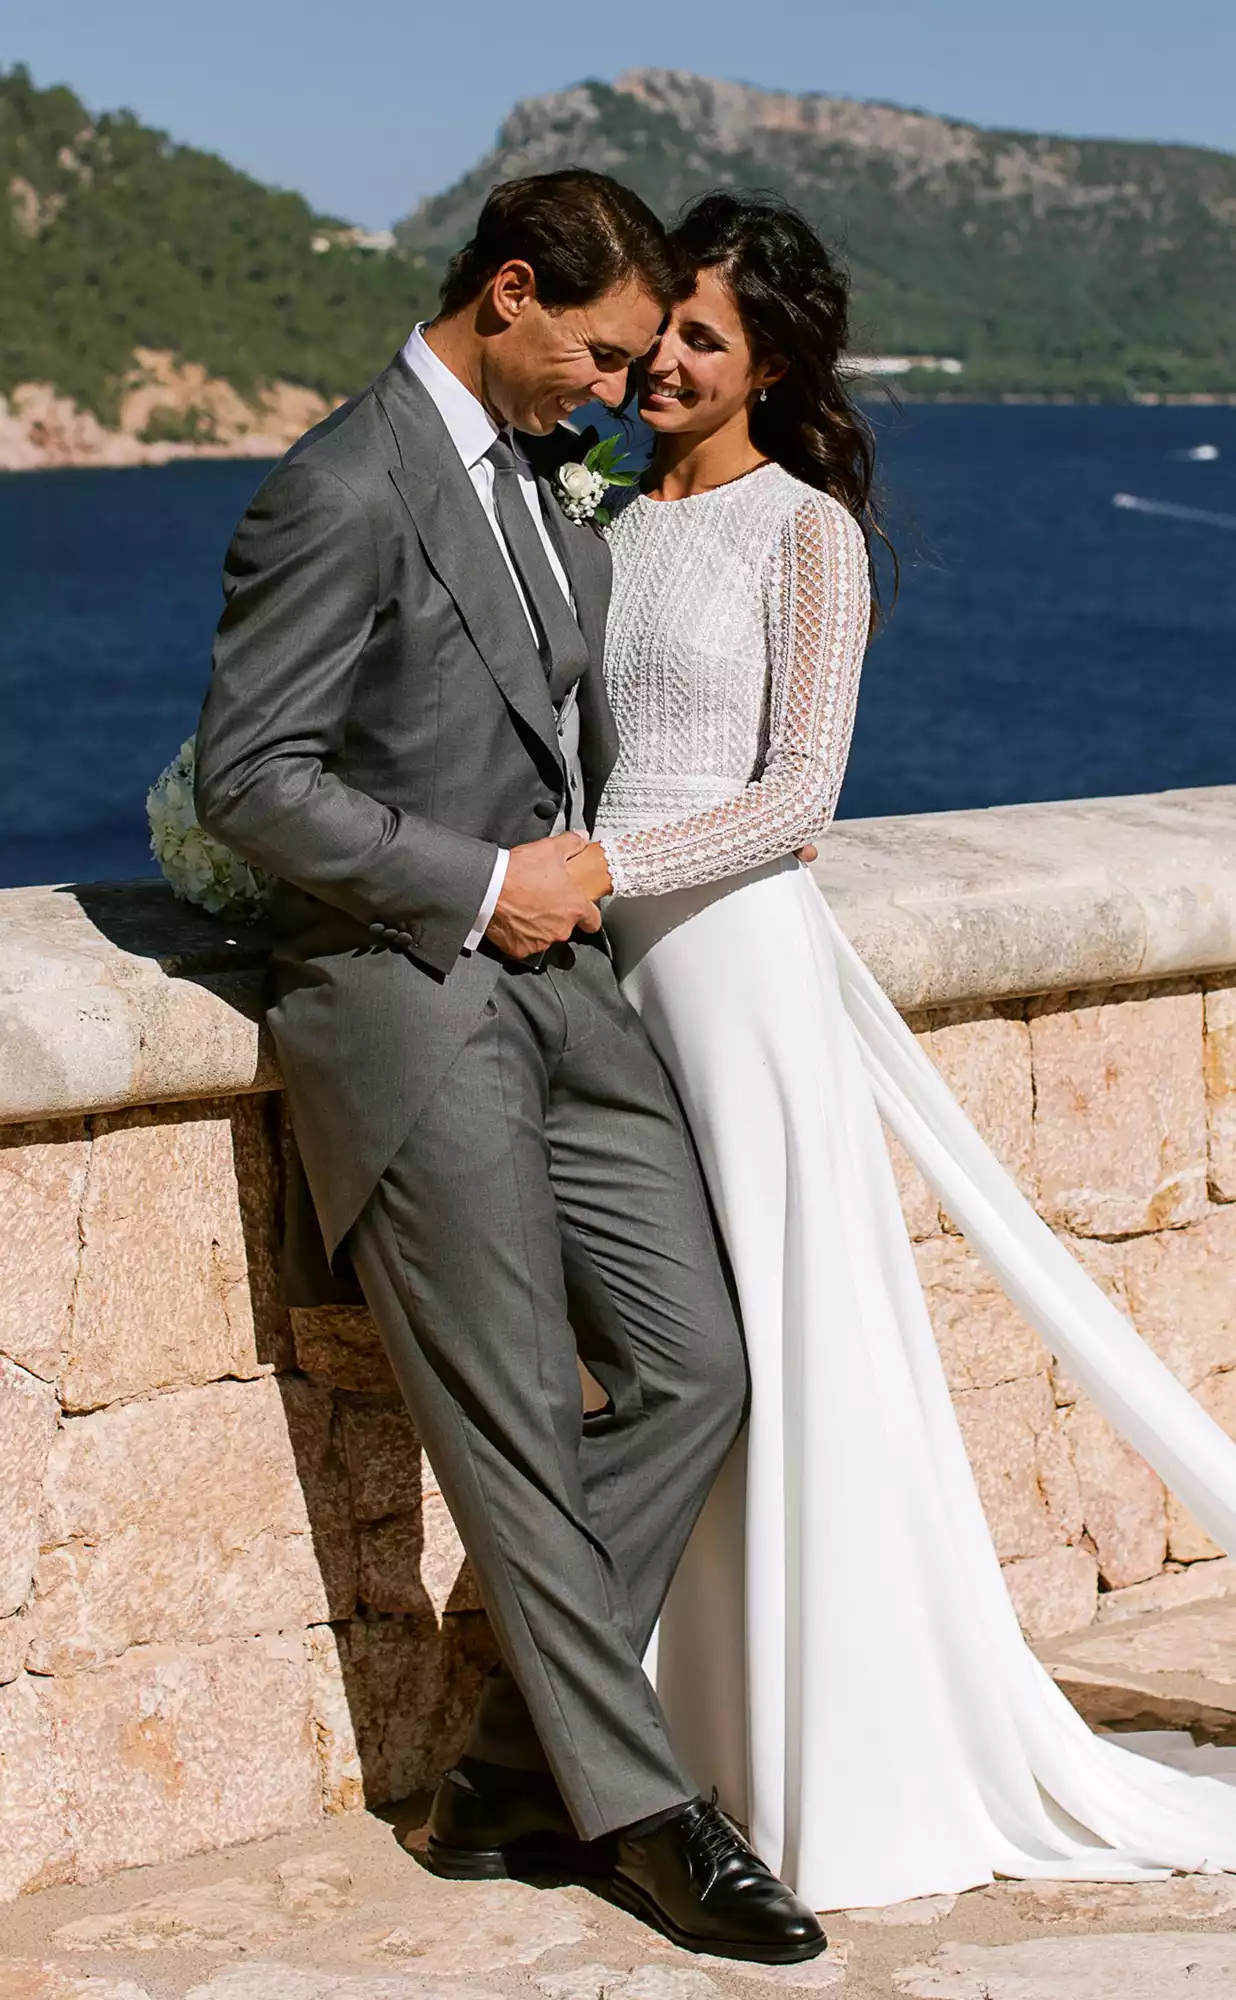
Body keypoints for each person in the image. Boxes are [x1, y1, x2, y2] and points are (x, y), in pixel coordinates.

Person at [563, 189, 1236, 1911]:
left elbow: (800, 797)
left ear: (768, 367)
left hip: (737, 980)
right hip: (609, 978)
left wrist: (607, 866)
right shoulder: (608, 521)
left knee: (784, 1357)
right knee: (676, 1349)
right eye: (662, 329)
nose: (663, 360)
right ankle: (686, 1738)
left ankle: (837, 1756)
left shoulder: (805, 535)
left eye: (704, 338)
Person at [193, 170, 827, 1964]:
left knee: (701, 1367)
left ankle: (500, 1769)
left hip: (573, 1003)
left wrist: (559, 889)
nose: (621, 391)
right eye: (606, 353)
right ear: (514, 293)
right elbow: (253, 775)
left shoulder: (555, 491)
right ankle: (642, 1811)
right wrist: (478, 884)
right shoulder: (337, 483)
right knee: (517, 1434)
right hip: (408, 1003)